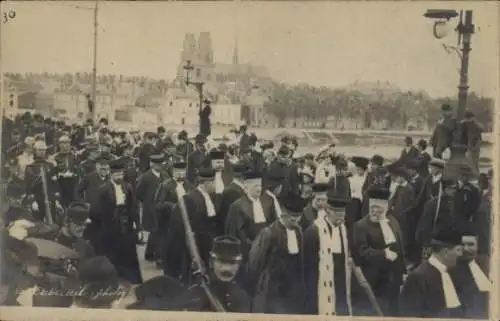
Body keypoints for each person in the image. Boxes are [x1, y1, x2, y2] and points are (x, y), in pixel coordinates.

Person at [247, 192, 307, 314]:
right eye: (292, 217)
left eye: (298, 217)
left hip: (293, 287)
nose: (295, 221)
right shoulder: (269, 234)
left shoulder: (299, 232)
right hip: (274, 289)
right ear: (283, 214)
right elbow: (255, 263)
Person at [352, 188, 406, 316]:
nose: (375, 211)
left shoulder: (393, 222)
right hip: (374, 279)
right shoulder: (360, 226)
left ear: (386, 207)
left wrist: (403, 271)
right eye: (372, 208)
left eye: (379, 208)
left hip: (393, 278)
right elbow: (361, 253)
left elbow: (400, 248)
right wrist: (383, 253)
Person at [163, 167, 221, 284]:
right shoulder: (189, 199)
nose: (215, 185)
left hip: (205, 245)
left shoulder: (210, 197)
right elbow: (178, 228)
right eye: (214, 182)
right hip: (193, 246)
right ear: (206, 183)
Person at [170, 236, 251, 312]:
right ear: (211, 262)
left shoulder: (242, 297)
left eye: (232, 262)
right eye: (222, 261)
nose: (227, 268)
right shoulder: (196, 294)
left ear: (239, 264)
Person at [95, 157, 142, 284]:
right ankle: (113, 278)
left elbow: (133, 207)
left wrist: (137, 225)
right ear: (111, 174)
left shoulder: (128, 187)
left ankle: (131, 278)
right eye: (116, 174)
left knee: (128, 251)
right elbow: (99, 209)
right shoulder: (103, 189)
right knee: (112, 251)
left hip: (125, 223)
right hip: (110, 224)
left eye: (121, 174)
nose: (119, 176)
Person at [399, 228, 465, 318]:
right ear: (445, 252)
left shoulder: (451, 273)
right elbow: (411, 314)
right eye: (458, 250)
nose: (460, 254)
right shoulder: (418, 277)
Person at [304, 196, 352, 316]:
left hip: (340, 282)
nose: (341, 218)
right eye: (338, 214)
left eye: (343, 214)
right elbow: (308, 267)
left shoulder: (342, 229)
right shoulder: (314, 231)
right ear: (329, 211)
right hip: (320, 284)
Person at [450, 230, 491, 319]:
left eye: (470, 244)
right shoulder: (452, 267)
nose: (466, 248)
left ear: (478, 245)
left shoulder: (488, 264)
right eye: (462, 245)